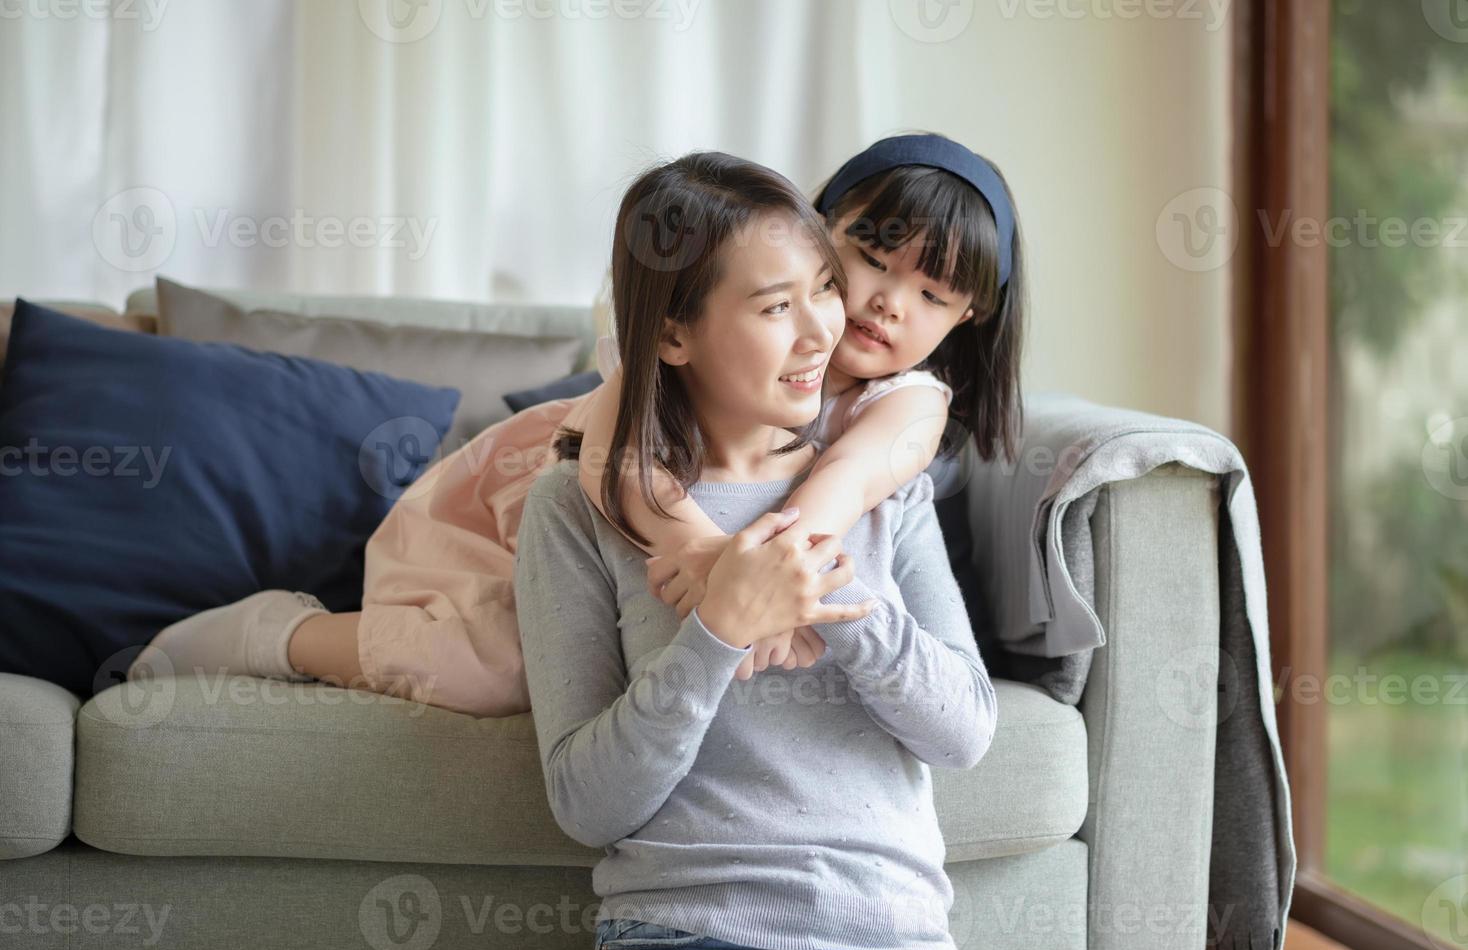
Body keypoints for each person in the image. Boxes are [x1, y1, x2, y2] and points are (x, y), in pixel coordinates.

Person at [129, 133, 1026, 726]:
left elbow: (856, 477)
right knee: (488, 669)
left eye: (933, 293)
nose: (880, 302)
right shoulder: (710, 323)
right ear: (818, 225)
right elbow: (614, 463)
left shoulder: (906, 401)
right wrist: (713, 561)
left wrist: (770, 559)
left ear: (970, 319)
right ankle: (277, 635)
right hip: (524, 515)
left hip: (658, 567)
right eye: (866, 258)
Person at [516, 150, 996, 950]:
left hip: (894, 941)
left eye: (823, 290)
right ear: (673, 332)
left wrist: (820, 590)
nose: (825, 331)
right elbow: (587, 806)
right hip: (683, 943)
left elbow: (964, 734)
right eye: (779, 305)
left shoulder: (886, 484)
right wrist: (717, 632)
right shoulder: (576, 504)